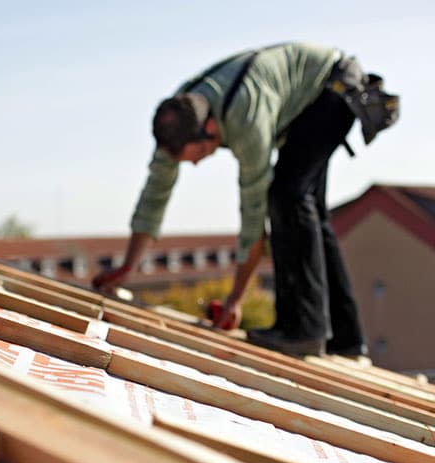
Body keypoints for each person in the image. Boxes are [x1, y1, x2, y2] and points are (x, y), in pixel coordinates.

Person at [92, 42, 397, 357]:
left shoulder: (246, 118)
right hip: (311, 96)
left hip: (333, 92)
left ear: (210, 129)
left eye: (197, 156)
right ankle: (346, 340)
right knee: (308, 210)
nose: (195, 164)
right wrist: (127, 266)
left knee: (287, 196)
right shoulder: (177, 119)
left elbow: (254, 218)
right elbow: (154, 197)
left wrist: (236, 298)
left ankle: (303, 330)